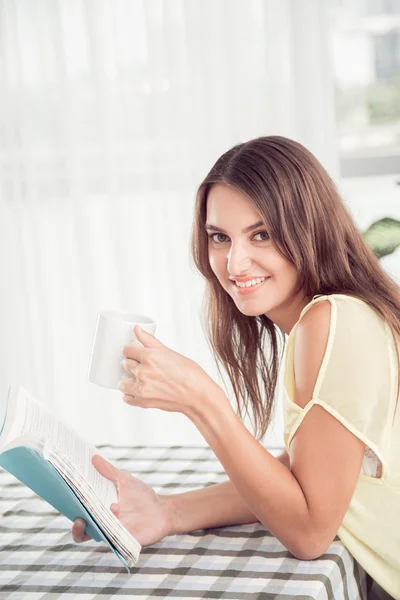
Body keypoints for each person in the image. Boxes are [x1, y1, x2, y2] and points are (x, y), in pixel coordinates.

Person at [72, 136, 399, 599]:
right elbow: (309, 475)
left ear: (310, 229)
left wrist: (202, 402)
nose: (234, 262)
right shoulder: (337, 318)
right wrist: (167, 511)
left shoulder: (332, 322)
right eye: (220, 238)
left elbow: (309, 533)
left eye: (261, 234)